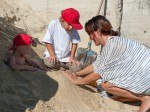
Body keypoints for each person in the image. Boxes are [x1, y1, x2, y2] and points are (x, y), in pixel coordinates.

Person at [64, 15, 150, 112]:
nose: (90, 38)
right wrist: (77, 74)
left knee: (106, 85)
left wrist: (77, 81)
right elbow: (96, 65)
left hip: (147, 78)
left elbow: (98, 74)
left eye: (91, 33)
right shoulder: (110, 43)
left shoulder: (112, 45)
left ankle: (145, 99)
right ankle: (142, 97)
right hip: (145, 75)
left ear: (99, 32)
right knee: (115, 96)